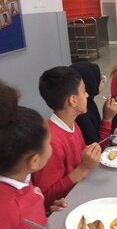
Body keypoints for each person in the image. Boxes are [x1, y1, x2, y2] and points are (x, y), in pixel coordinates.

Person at [0, 81, 70, 229]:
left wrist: (45, 210)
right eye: (49, 143)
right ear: (35, 161)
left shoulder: (19, 175)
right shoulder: (5, 208)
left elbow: (22, 219)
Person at [32, 66, 102, 210]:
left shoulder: (72, 123)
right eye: (84, 91)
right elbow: (46, 197)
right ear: (73, 100)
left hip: (81, 192)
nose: (87, 95)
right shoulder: (50, 142)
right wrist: (83, 168)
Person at [70, 62, 117, 150]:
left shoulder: (89, 103)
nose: (102, 81)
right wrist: (108, 118)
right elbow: (97, 148)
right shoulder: (82, 113)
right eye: (100, 79)